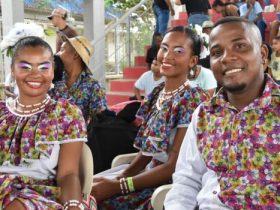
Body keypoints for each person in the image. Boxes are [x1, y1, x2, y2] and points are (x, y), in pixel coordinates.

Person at [165, 17, 280, 209]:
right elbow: (186, 181)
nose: (227, 57)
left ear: (262, 54)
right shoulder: (203, 115)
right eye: (217, 52)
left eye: (240, 46)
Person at [90, 26, 209, 209]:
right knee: (82, 186)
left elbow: (173, 166)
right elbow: (148, 151)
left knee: (93, 201)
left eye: (178, 51)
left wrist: (119, 186)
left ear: (192, 60)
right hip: (148, 173)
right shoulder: (158, 92)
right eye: (164, 48)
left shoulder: (191, 98)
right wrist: (122, 176)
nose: (167, 55)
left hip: (167, 184)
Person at [0, 36, 96, 209]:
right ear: (12, 70)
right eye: (25, 66)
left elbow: (68, 174)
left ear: (52, 71)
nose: (35, 74)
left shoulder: (66, 114)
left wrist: (72, 205)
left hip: (38, 195)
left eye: (44, 67)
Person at [49, 35, 107, 125]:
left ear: (75, 54)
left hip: (81, 138)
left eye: (62, 50)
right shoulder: (53, 79)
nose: (57, 54)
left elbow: (101, 122)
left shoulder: (94, 87)